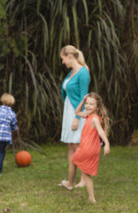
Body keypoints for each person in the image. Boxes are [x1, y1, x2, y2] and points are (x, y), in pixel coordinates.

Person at [60, 93, 110, 203]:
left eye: (91, 104)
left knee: (74, 160)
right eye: (87, 104)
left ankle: (70, 183)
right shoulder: (89, 116)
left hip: (87, 148)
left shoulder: (94, 119)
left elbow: (101, 131)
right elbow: (77, 112)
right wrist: (82, 101)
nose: (87, 106)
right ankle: (91, 198)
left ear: (97, 107)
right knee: (86, 172)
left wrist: (107, 144)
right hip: (88, 148)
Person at [59, 45, 90, 189]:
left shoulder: (83, 73)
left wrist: (78, 118)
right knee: (71, 145)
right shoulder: (71, 72)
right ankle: (71, 181)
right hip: (69, 111)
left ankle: (84, 179)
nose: (62, 62)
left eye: (63, 58)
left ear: (70, 56)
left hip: (77, 113)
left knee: (78, 146)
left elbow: (84, 97)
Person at [0, 93, 18, 176]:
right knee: (1, 151)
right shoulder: (11, 113)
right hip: (4, 136)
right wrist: (14, 129)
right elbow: (13, 124)